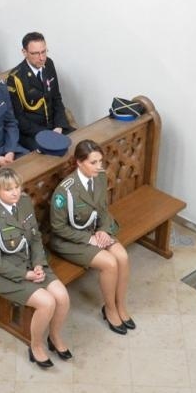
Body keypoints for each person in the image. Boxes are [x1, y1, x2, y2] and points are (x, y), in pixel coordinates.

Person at [0, 168, 72, 369]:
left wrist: (38, 263)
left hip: (31, 263)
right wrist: (25, 274)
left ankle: (54, 337)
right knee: (47, 303)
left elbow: (35, 237)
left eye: (16, 187)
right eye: (8, 189)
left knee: (62, 297)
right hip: (5, 274)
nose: (14, 192)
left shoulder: (24, 202)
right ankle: (36, 345)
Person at [50, 139, 135, 335]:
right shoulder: (65, 191)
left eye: (100, 162)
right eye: (93, 162)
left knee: (122, 256)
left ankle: (120, 305)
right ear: (79, 162)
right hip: (71, 240)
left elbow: (103, 209)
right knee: (109, 263)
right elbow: (58, 228)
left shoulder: (100, 177)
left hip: (96, 230)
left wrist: (104, 230)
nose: (99, 167)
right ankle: (110, 309)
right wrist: (90, 239)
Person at [8, 32, 73, 151]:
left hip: (55, 126)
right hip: (33, 133)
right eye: (35, 53)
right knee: (53, 153)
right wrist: (48, 133)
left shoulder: (48, 64)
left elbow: (56, 98)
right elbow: (19, 118)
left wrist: (59, 125)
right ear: (24, 52)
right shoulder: (16, 78)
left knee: (79, 144)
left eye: (44, 51)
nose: (42, 57)